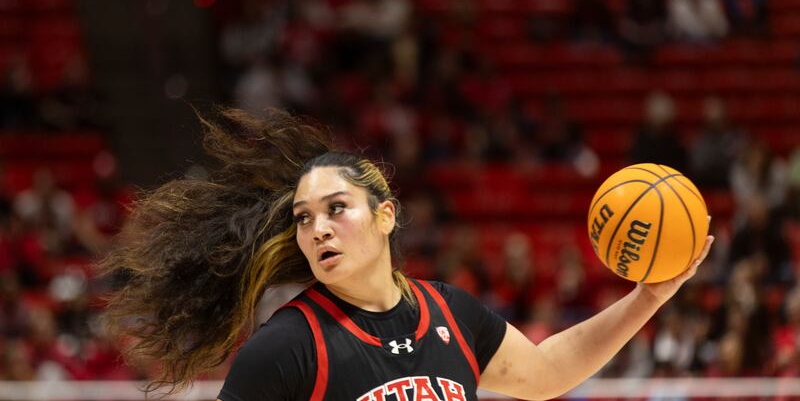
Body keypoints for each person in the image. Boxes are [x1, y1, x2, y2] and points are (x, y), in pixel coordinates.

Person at [99, 107, 713, 400]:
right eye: (304, 219)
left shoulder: (450, 313)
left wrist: (648, 297)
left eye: (337, 208)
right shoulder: (287, 347)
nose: (317, 229)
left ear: (385, 214)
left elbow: (548, 372)